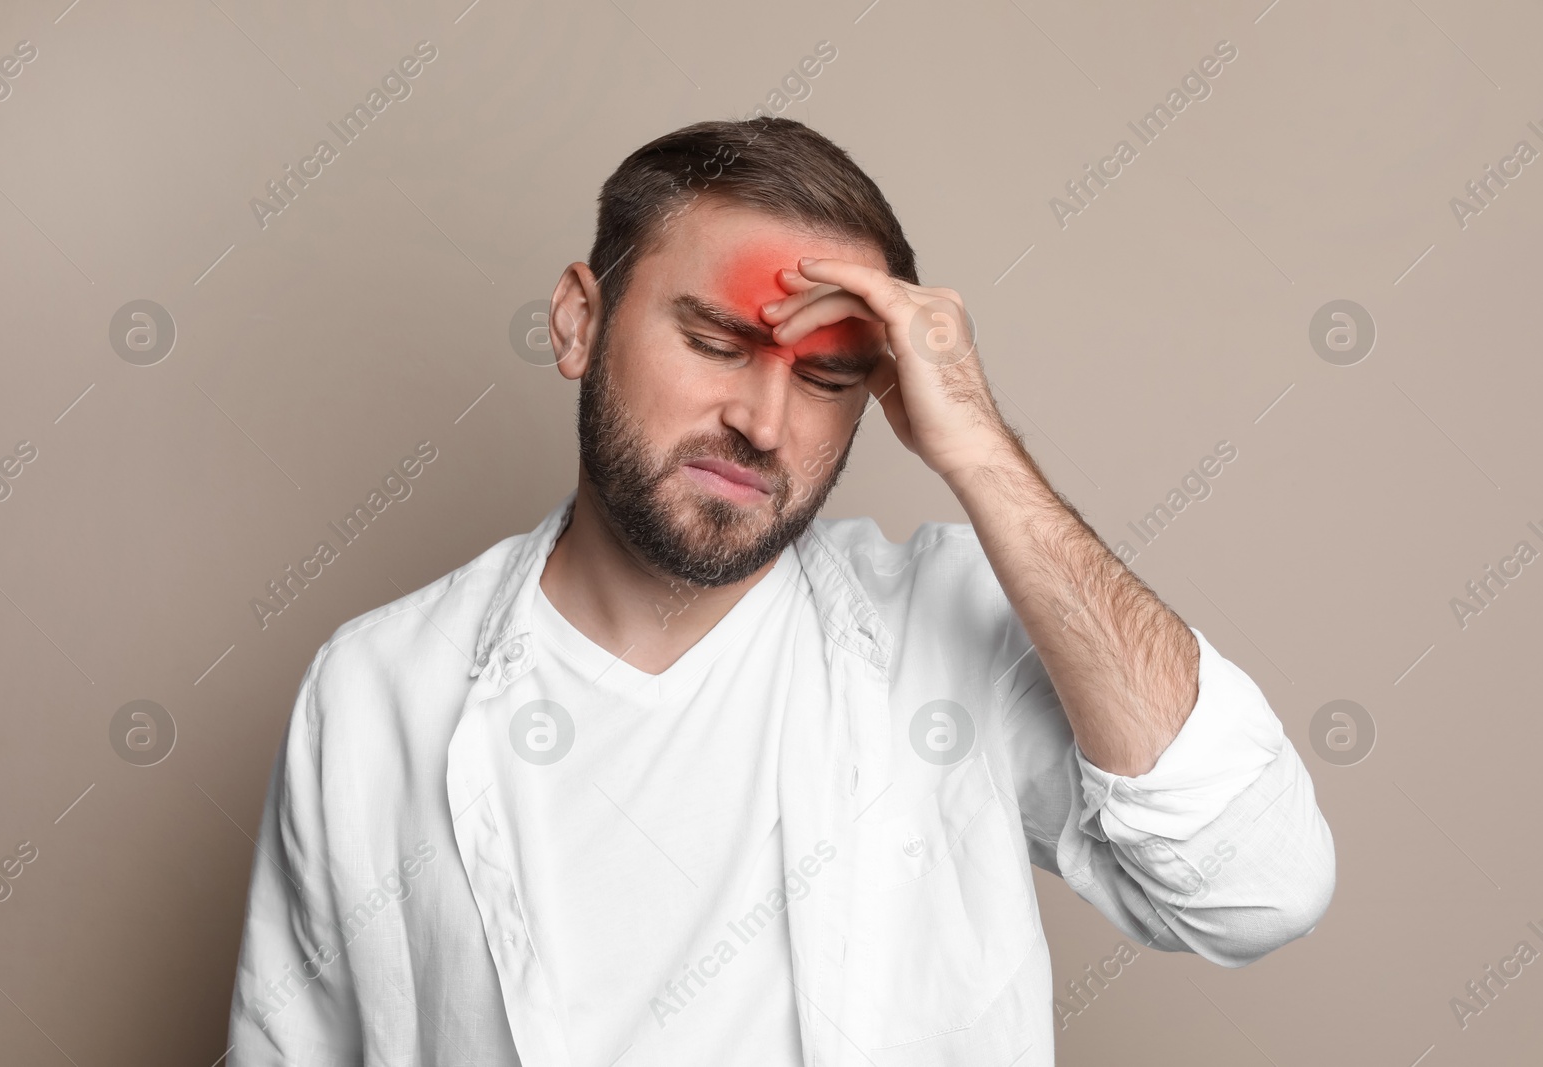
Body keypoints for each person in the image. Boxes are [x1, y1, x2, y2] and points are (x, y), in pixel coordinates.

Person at [227, 117, 1335, 1066]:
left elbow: (1257, 882)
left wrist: (980, 450)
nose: (762, 422)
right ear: (578, 320)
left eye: (825, 377)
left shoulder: (939, 630)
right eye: (714, 341)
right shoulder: (378, 688)